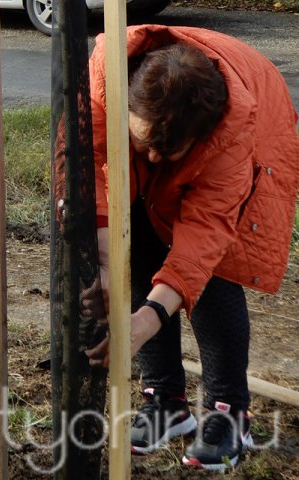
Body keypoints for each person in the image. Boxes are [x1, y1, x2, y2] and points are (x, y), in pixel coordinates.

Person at [85, 24, 299, 471]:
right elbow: (97, 163)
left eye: (168, 151)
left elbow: (202, 242)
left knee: (218, 267)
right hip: (173, 119)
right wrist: (106, 262)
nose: (153, 159)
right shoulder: (107, 78)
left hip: (261, 118)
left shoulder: (229, 139)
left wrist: (148, 317)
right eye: (144, 142)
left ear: (199, 138)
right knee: (139, 234)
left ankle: (229, 412)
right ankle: (166, 400)